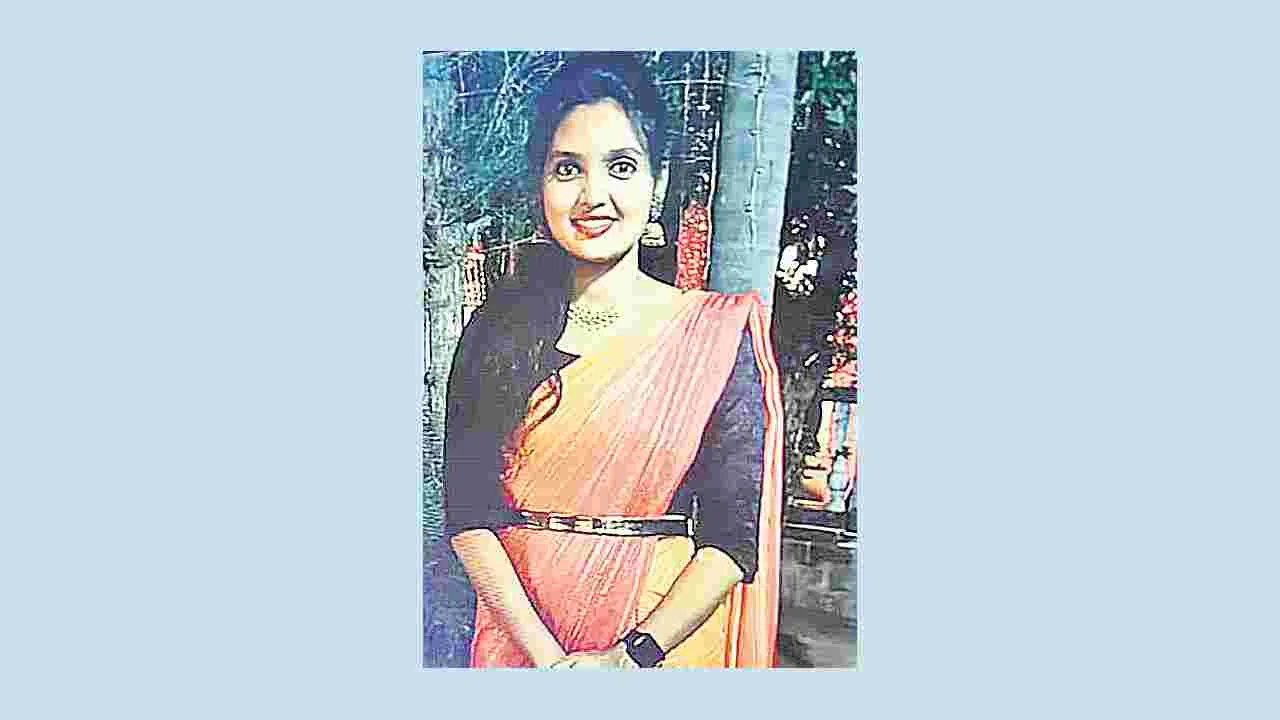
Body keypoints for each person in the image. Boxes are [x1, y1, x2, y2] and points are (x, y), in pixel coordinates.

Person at [443, 53, 783, 669]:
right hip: (520, 641)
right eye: (567, 169)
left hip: (661, 651)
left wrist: (626, 660)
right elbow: (469, 511)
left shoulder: (714, 336)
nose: (593, 196)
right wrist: (549, 662)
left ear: (658, 185)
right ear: (540, 185)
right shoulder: (496, 331)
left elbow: (732, 537)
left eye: (621, 166)